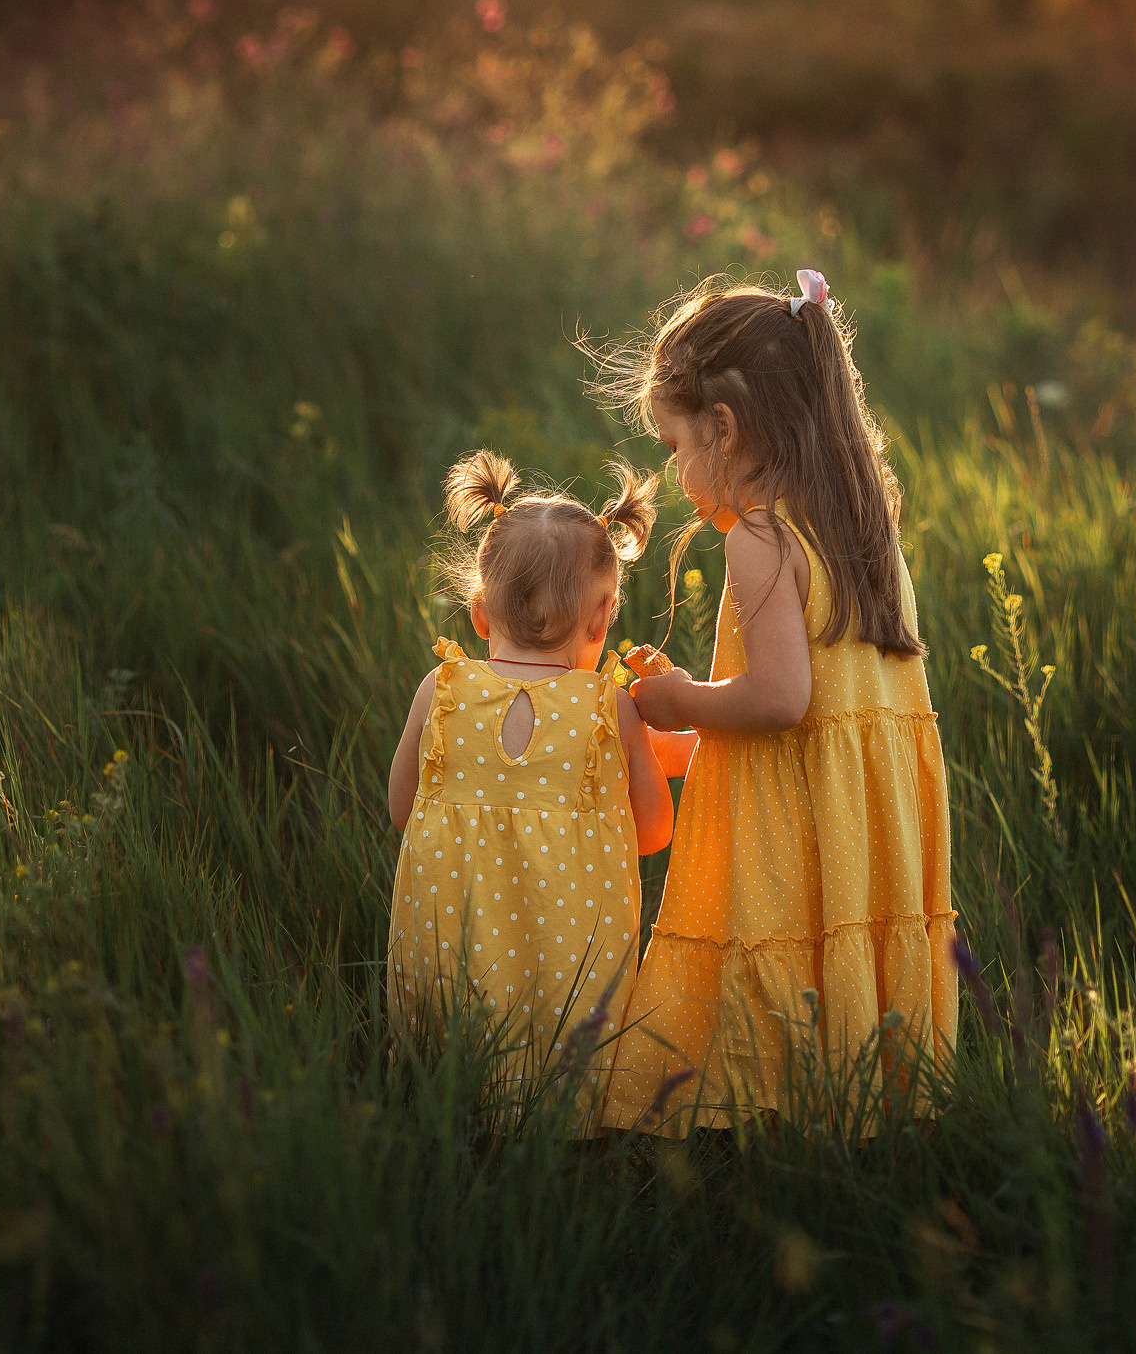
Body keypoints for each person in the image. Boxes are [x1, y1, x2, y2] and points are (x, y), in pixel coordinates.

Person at [594, 270, 958, 1134]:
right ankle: (866, 1110)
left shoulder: (759, 535)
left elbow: (783, 697)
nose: (675, 469)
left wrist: (681, 699)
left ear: (724, 428)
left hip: (797, 806)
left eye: (675, 444)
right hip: (868, 812)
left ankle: (764, 1117)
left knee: (782, 945)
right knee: (848, 939)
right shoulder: (858, 520)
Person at [385, 450, 676, 1128]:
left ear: (481, 612)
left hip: (449, 929)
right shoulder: (612, 707)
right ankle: (561, 1125)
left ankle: (446, 1103)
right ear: (601, 620)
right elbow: (655, 831)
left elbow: (403, 809)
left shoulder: (443, 689)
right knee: (561, 1025)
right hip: (565, 949)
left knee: (450, 1056)